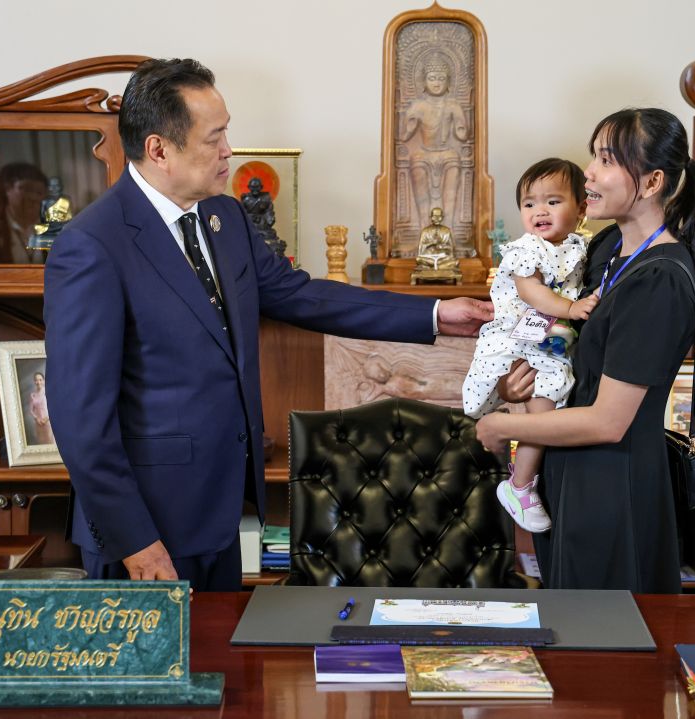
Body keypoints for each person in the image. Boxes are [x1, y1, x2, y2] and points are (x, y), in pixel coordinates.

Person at [43, 58, 493, 591]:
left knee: (222, 648)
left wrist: (435, 313)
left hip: (220, 510)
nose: (229, 151)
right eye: (214, 138)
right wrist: (134, 540)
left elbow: (302, 294)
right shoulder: (92, 246)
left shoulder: (225, 217)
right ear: (159, 149)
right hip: (144, 531)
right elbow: (81, 421)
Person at [476, 108, 695, 593]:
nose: (588, 172)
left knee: (603, 629)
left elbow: (609, 421)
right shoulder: (607, 248)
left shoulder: (661, 281)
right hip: (567, 474)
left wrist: (502, 425)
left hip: (612, 489)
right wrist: (516, 383)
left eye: (606, 160)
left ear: (652, 182)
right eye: (593, 157)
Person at [464, 158, 597, 534]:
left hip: (549, 341)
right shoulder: (527, 249)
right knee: (542, 413)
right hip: (517, 339)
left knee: (547, 410)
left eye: (553, 201)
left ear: (581, 209)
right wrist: (571, 309)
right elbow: (531, 291)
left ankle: (523, 481)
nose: (540, 211)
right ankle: (520, 486)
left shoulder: (581, 246)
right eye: (529, 203)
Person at [399, 54, 469, 246]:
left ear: (448, 82)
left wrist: (461, 125)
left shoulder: (453, 105)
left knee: (453, 163)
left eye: (441, 78)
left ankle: (449, 230)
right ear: (424, 81)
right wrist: (410, 123)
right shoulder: (418, 106)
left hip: (447, 152)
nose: (436, 83)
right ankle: (424, 230)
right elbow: (404, 136)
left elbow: (462, 135)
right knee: (417, 162)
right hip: (424, 152)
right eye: (432, 78)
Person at [0, 162, 48, 264]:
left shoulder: (52, 231)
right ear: (7, 189)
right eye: (27, 189)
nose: (33, 198)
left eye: (39, 192)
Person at [413, 207, 460, 273]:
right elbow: (421, 251)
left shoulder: (447, 231)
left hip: (442, 258)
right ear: (431, 217)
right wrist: (431, 243)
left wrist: (443, 247)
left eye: (439, 216)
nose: (437, 218)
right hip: (429, 258)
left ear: (442, 217)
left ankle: (431, 268)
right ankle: (441, 267)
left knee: (455, 262)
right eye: (434, 216)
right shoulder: (425, 231)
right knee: (418, 259)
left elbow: (451, 250)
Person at [28, 372, 55, 445]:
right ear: (34, 382)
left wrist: (47, 418)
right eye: (36, 380)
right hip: (38, 424)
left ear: (43, 381)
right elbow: (31, 410)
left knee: (51, 443)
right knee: (42, 443)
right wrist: (37, 419)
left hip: (48, 422)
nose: (38, 382)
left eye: (40, 380)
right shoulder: (32, 395)